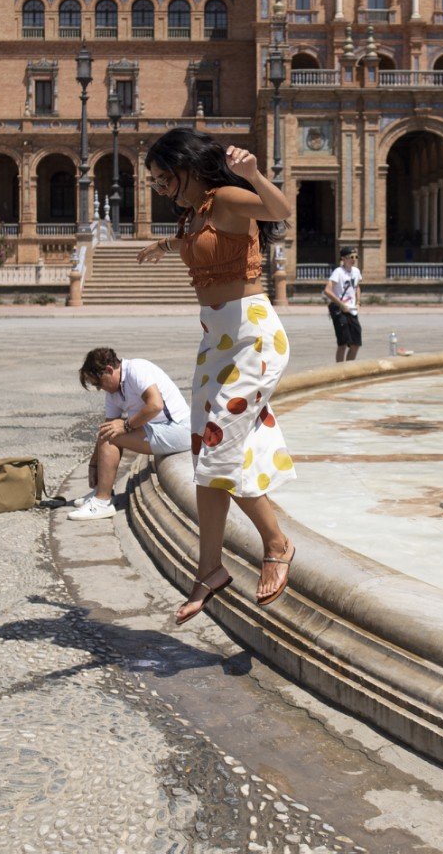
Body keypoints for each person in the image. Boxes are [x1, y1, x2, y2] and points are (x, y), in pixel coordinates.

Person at [136, 128, 296, 624]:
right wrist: (162, 247)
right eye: (156, 183)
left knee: (219, 440)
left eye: (166, 178)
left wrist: (252, 175)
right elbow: (195, 239)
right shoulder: (195, 214)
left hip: (253, 338)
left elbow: (280, 212)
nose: (162, 189)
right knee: (205, 454)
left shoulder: (226, 196)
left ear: (189, 165)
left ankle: (277, 543)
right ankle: (209, 569)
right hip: (215, 342)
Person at [70, 347, 191, 520]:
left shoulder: (136, 369)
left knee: (114, 436)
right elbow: (106, 428)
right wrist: (93, 464)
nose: (99, 388)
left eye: (99, 383)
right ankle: (101, 492)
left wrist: (126, 426)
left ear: (109, 370)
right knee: (109, 432)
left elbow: (155, 405)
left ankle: (102, 502)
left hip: (180, 429)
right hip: (160, 429)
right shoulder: (113, 391)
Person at [322, 247, 363, 362]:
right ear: (343, 259)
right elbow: (327, 290)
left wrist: (358, 302)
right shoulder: (338, 272)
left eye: (356, 257)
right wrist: (341, 305)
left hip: (352, 309)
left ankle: (349, 369)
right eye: (351, 257)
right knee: (343, 343)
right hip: (339, 310)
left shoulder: (356, 271)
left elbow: (357, 287)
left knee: (356, 343)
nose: (354, 259)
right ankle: (340, 371)